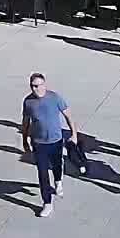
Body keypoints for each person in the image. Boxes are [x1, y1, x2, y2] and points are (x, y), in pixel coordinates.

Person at [20, 73, 77, 218]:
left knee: (57, 165)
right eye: (32, 86)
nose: (35, 89)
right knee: (42, 173)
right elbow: (26, 122)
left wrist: (74, 134)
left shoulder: (54, 98)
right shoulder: (28, 102)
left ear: (44, 85)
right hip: (38, 143)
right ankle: (47, 203)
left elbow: (68, 115)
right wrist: (24, 139)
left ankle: (58, 182)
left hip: (56, 140)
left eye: (38, 85)